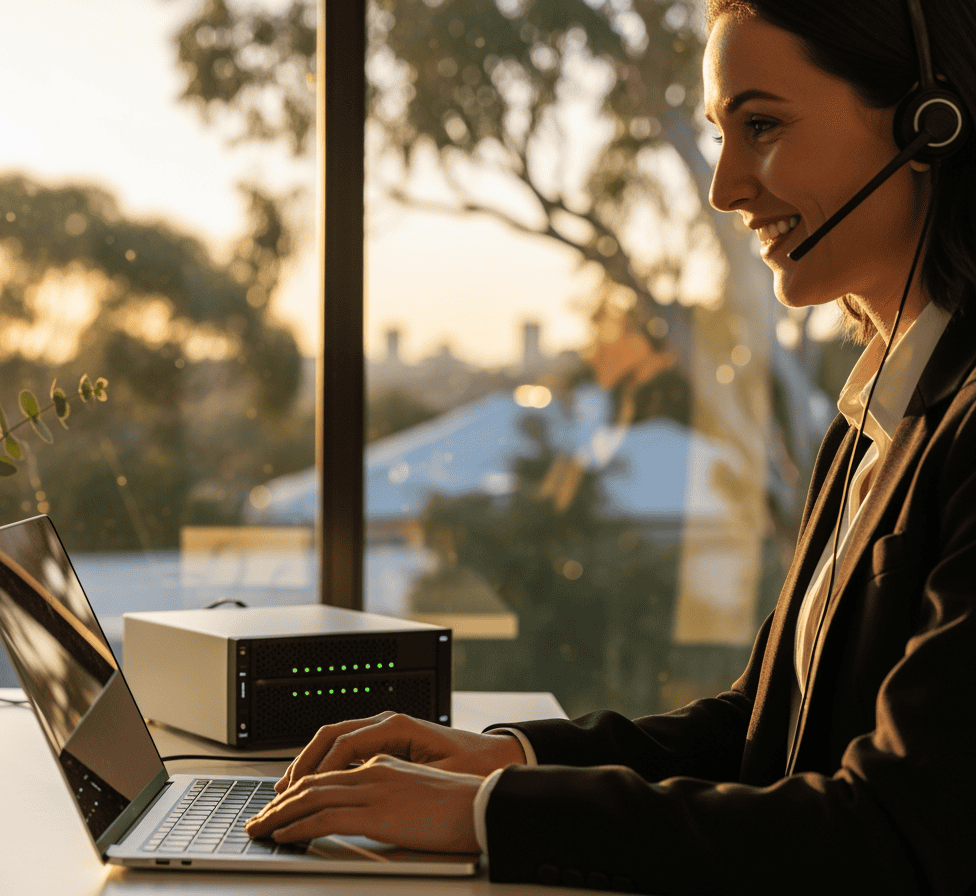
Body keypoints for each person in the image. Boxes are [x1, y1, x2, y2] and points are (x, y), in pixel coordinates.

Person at [244, 1, 976, 892]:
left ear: (930, 121)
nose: (725, 187)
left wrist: (485, 816)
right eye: (721, 133)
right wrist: (494, 759)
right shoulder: (880, 408)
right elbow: (756, 729)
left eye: (763, 126)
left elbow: (900, 835)